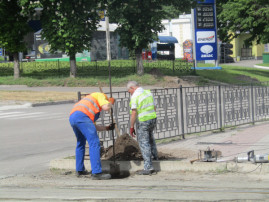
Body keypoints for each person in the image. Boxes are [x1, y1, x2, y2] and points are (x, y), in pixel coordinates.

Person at [69, 92, 115, 180]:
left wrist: (107, 128)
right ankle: (96, 172)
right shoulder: (101, 95)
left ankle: (80, 170)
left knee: (80, 143)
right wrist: (110, 103)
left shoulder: (88, 101)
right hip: (82, 118)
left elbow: (91, 126)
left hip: (73, 117)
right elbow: (106, 107)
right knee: (94, 143)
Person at [127, 81, 158, 175]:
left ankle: (148, 167)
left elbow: (134, 113)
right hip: (152, 118)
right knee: (151, 139)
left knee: (144, 143)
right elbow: (154, 107)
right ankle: (155, 158)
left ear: (132, 88)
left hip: (143, 120)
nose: (130, 93)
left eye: (129, 91)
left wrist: (131, 127)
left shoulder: (135, 96)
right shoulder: (148, 92)